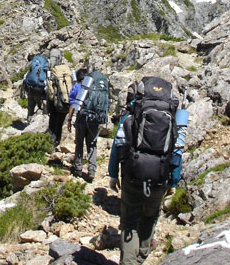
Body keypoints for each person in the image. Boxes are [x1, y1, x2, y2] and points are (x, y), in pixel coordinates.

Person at [108, 78, 184, 265]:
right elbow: (177, 152)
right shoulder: (172, 120)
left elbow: (118, 146)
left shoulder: (130, 117)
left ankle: (129, 262)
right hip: (159, 176)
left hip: (132, 175)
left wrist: (113, 174)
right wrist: (173, 182)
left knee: (129, 222)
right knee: (150, 217)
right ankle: (141, 257)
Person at [67, 68, 98, 182]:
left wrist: (69, 119)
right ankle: (92, 170)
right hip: (94, 121)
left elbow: (72, 105)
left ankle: (78, 169)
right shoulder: (95, 88)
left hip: (80, 120)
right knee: (92, 145)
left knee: (79, 144)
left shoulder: (76, 88)